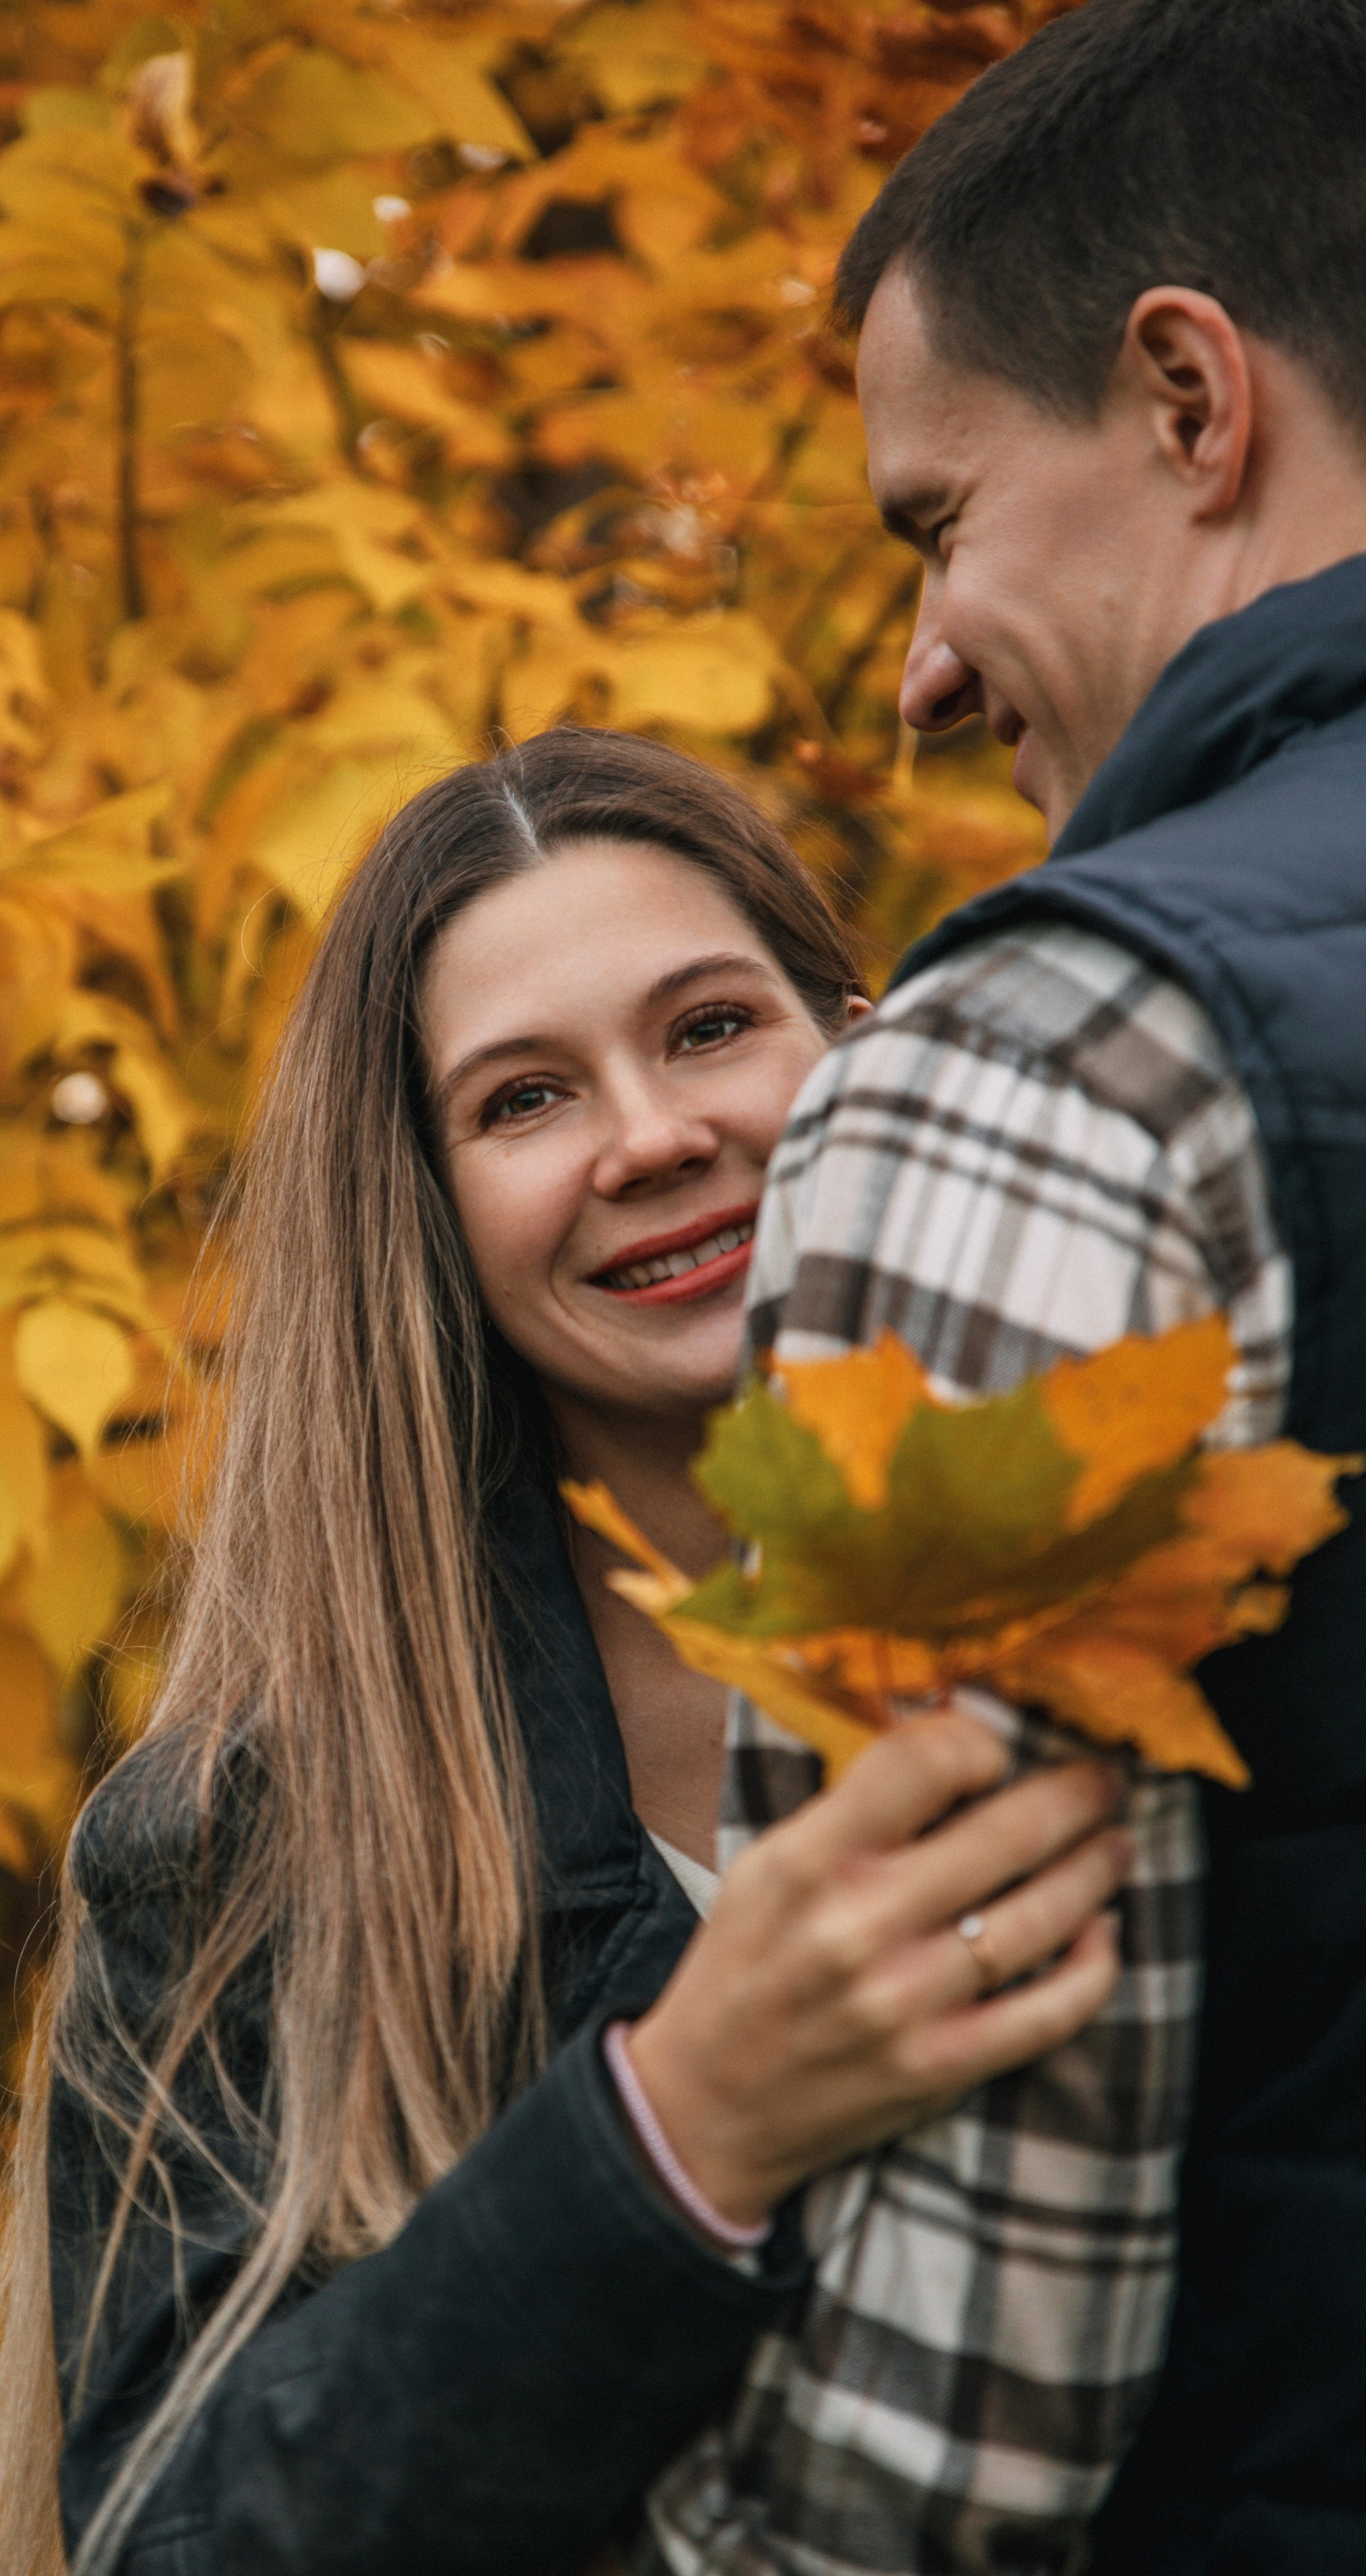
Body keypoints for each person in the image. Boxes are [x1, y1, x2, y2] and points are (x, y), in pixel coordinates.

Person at [0, 730, 1143, 2576]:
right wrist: (671, 2139)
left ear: (867, 1052)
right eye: (523, 1100)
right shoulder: (247, 1846)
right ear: (424, 1209)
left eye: (708, 1028)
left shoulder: (1169, 1575)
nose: (651, 1138)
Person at [654, 5, 1366, 2574]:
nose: (928, 664)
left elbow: (956, 2391)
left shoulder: (1051, 1063)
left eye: (936, 523)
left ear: (1189, 396)